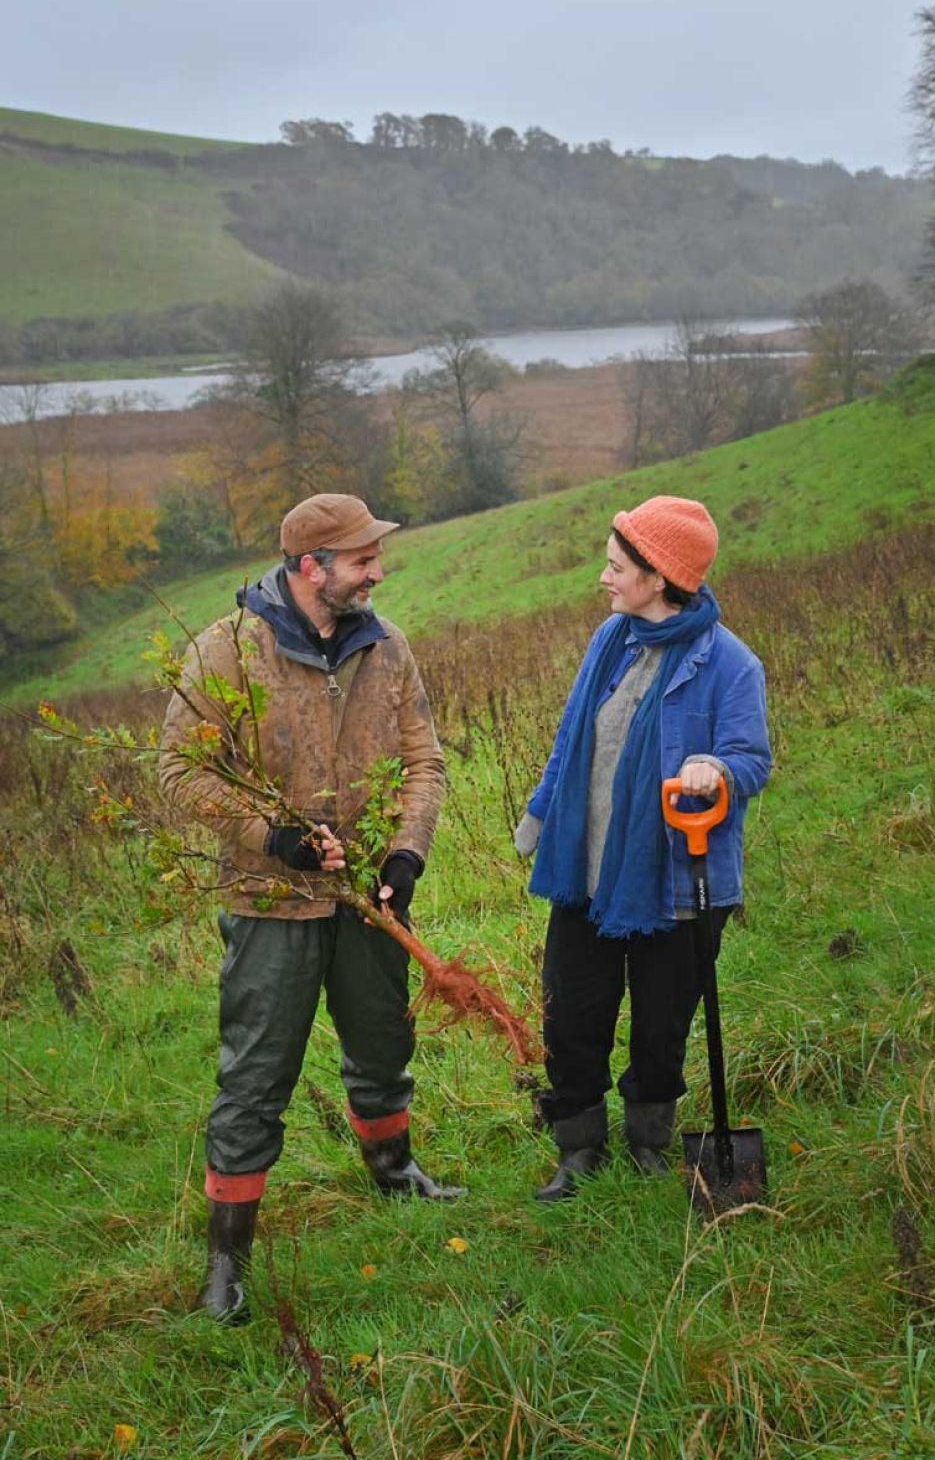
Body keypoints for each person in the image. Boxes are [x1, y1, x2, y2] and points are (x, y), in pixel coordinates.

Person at [159, 492, 460, 1323]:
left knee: (383, 1036)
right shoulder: (226, 653)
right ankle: (226, 1262)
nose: (377, 570)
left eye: (374, 556)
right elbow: (179, 771)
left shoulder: (387, 647)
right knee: (255, 1076)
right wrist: (275, 837)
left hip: (368, 896)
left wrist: (406, 852)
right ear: (309, 568)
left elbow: (423, 760)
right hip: (269, 901)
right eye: (363, 558)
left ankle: (395, 1172)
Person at [514, 495, 771, 1202]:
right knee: (571, 1018)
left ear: (659, 577)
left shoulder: (729, 664)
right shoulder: (612, 640)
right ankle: (579, 1149)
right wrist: (540, 813)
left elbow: (752, 758)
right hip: (588, 875)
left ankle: (650, 1144)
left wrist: (714, 767)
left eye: (616, 565)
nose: (604, 576)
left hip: (677, 880)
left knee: (662, 1027)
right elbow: (573, 735)